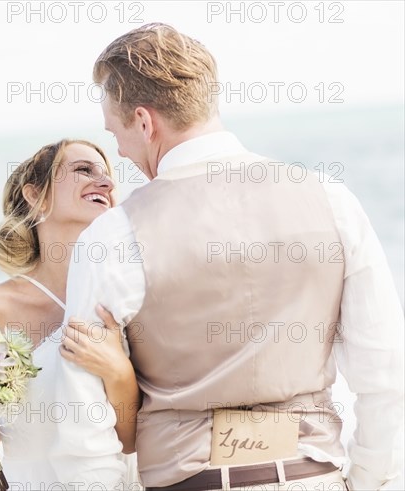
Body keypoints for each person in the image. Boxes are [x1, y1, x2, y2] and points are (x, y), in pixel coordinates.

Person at [52, 23, 404, 490]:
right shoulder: (331, 200)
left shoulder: (113, 237)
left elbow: (85, 424)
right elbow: (385, 373)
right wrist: (367, 481)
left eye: (115, 132)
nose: (118, 149)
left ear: (143, 121)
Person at [0, 139, 142, 488]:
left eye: (107, 174)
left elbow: (132, 438)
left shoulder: (126, 296)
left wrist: (118, 370)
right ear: (36, 196)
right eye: (83, 170)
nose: (106, 183)